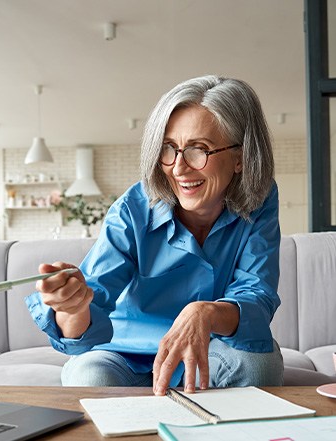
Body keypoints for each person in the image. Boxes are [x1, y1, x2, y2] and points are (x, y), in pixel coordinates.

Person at [25, 75, 284, 395]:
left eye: (198, 150)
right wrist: (73, 307)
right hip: (122, 352)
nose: (178, 168)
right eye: (168, 149)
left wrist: (205, 312)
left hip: (211, 348)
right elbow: (92, 304)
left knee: (260, 364)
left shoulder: (259, 200)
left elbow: (256, 295)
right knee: (89, 376)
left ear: (240, 157)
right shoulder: (132, 209)